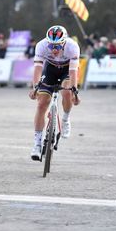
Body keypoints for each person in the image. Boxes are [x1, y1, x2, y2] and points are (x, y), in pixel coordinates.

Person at [28, 25, 80, 161]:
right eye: (51, 46)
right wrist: (35, 88)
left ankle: (65, 119)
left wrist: (74, 90)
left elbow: (74, 72)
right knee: (41, 104)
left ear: (64, 42)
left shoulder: (72, 47)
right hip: (49, 70)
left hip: (66, 70)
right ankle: (37, 143)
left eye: (57, 46)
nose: (54, 49)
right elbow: (38, 69)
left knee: (67, 92)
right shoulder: (41, 45)